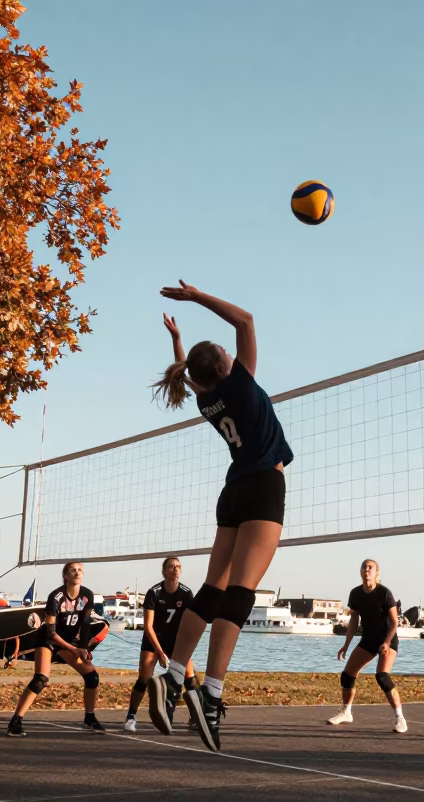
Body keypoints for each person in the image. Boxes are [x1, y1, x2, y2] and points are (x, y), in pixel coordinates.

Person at [147, 282, 293, 752]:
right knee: (240, 593)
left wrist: (178, 344)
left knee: (212, 589)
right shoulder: (238, 385)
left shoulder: (205, 397)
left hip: (231, 493)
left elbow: (191, 373)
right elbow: (246, 320)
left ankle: (172, 676)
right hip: (262, 488)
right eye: (226, 352)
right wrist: (197, 298)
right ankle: (211, 693)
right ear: (225, 364)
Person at [6, 561, 104, 736]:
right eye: (73, 570)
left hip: (69, 641)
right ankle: (15, 721)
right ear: (65, 576)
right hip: (49, 640)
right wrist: (73, 649)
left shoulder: (87, 595)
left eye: (80, 570)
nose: (77, 572)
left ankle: (89, 718)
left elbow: (86, 624)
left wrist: (83, 647)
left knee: (92, 676)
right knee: (40, 679)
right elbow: (50, 631)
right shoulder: (56, 596)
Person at [327, 559, 407, 733]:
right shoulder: (355, 594)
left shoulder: (384, 593)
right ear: (360, 571)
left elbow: (395, 622)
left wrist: (386, 642)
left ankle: (400, 718)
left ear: (377, 573)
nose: (367, 569)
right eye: (364, 566)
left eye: (370, 567)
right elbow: (354, 620)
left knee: (382, 676)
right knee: (347, 675)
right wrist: (346, 645)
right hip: (369, 639)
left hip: (388, 639)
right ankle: (346, 712)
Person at [124, 557, 199, 733]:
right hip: (154, 638)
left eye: (178, 566)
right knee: (144, 677)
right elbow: (148, 626)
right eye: (171, 567)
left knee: (190, 674)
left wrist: (186, 646)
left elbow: (190, 623)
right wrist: (159, 651)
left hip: (176, 641)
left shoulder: (186, 593)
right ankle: (130, 716)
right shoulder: (154, 592)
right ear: (164, 571)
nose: (175, 569)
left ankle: (196, 717)